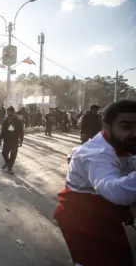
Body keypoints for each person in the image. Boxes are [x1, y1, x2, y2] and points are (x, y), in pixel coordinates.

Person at [54, 100, 136, 266]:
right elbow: (112, 189)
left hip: (107, 216)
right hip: (83, 220)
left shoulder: (123, 143)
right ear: (106, 126)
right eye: (126, 126)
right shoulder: (97, 154)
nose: (135, 133)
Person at [0, 106, 24, 174]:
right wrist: (0, 138)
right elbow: (3, 130)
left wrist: (21, 140)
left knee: (13, 155)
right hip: (7, 140)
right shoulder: (6, 120)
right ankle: (7, 163)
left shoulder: (17, 121)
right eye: (7, 112)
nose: (7, 113)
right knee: (4, 153)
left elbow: (21, 131)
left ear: (12, 112)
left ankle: (9, 167)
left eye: (9, 112)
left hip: (14, 140)